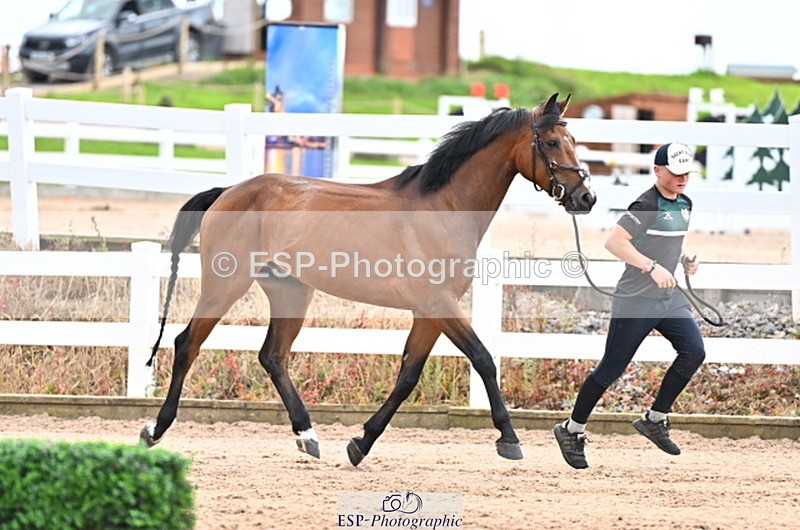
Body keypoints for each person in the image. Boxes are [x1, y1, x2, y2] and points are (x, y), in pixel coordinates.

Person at [554, 142, 706, 469]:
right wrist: (651, 267)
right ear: (658, 171)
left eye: (686, 173)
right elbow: (615, 243)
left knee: (695, 351)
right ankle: (572, 429)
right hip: (636, 301)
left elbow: (666, 242)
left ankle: (655, 418)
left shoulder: (685, 203)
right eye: (676, 173)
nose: (683, 179)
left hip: (668, 299)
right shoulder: (645, 204)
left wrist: (684, 260)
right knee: (611, 369)